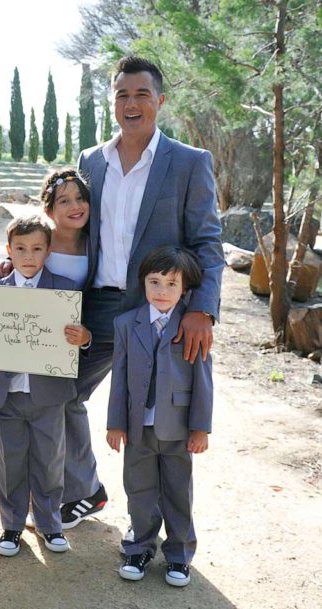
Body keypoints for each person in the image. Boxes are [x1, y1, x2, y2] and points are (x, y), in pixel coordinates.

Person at [64, 55, 224, 530]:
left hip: (158, 313)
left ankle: (153, 533)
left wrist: (202, 311)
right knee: (60, 394)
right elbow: (74, 227)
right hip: (97, 306)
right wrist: (26, 258)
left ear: (160, 100)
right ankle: (86, 491)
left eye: (141, 94)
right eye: (122, 95)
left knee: (153, 428)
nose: (131, 104)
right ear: (112, 101)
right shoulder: (90, 161)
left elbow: (207, 243)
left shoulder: (190, 162)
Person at [0, 215, 91, 557]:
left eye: (36, 249)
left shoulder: (65, 290)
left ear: (48, 251)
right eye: (21, 249)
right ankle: (12, 527)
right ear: (9, 250)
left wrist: (84, 337)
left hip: (49, 395)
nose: (28, 256)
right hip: (7, 394)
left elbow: (81, 335)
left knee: (49, 461)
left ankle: (50, 525)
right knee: (12, 462)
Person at [107, 246, 213, 587]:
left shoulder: (193, 327)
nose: (162, 291)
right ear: (143, 283)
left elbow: (203, 381)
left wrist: (200, 428)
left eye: (171, 284)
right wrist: (116, 423)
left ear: (185, 288)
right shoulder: (126, 324)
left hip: (178, 428)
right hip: (138, 428)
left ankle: (179, 554)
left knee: (178, 492)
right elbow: (119, 377)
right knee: (139, 491)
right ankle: (138, 547)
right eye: (154, 282)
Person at [38, 168, 109, 529]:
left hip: (84, 335)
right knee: (44, 406)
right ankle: (54, 488)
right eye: (64, 200)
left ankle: (88, 490)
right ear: (49, 210)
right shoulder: (41, 240)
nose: (75, 206)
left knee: (70, 399)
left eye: (81, 198)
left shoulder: (97, 242)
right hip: (44, 337)